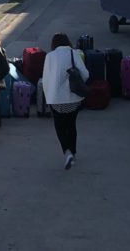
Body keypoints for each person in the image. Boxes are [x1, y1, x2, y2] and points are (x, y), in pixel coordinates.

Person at [42, 33, 89, 170]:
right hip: (73, 99)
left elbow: (46, 79)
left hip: (56, 100)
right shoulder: (74, 53)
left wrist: (48, 96)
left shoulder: (49, 56)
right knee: (71, 125)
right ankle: (73, 152)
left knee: (60, 126)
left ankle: (66, 151)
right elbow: (85, 74)